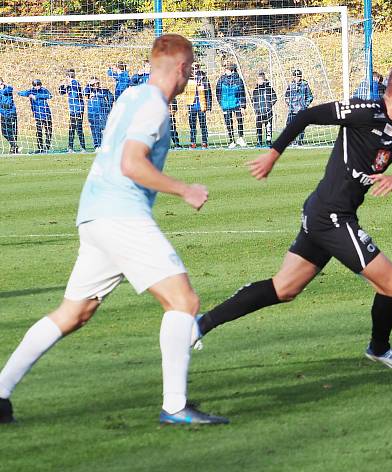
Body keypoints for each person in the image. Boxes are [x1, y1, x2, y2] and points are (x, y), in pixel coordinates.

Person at [0, 34, 228, 426]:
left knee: (74, 312)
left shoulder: (130, 97)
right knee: (184, 302)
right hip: (121, 216)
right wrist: (183, 189)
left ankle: (0, 392)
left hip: (93, 215)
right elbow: (131, 163)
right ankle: (175, 406)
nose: (190, 77)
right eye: (189, 69)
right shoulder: (154, 107)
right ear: (179, 68)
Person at [191, 61, 392, 370]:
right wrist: (272, 154)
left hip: (326, 213)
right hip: (331, 216)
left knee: (284, 288)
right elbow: (306, 116)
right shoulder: (362, 111)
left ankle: (200, 325)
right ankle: (379, 348)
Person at [216, 62, 246, 148]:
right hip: (225, 105)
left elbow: (242, 93)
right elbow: (217, 92)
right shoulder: (221, 79)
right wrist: (221, 103)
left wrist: (243, 106)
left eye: (228, 69)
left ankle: (240, 137)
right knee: (228, 123)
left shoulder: (238, 80)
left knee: (240, 120)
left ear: (232, 70)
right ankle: (231, 140)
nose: (226, 71)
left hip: (236, 104)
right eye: (225, 69)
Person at [18, 79, 52, 153]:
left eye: (38, 85)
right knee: (39, 132)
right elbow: (20, 93)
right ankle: (40, 148)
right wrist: (27, 94)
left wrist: (37, 96)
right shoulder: (31, 91)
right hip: (37, 115)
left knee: (48, 131)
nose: (36, 87)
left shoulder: (44, 90)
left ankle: (47, 147)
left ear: (40, 84)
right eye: (35, 85)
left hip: (46, 113)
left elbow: (50, 96)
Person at [58, 69, 87, 153]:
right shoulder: (70, 84)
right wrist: (63, 86)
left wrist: (68, 85)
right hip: (72, 109)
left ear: (68, 77)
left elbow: (75, 95)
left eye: (66, 77)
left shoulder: (75, 83)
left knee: (78, 128)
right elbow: (61, 92)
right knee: (71, 128)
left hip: (78, 108)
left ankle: (83, 147)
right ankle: (70, 148)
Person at [284, 69, 313, 145]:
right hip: (292, 110)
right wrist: (289, 104)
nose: (297, 78)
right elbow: (286, 96)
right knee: (289, 125)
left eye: (299, 76)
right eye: (296, 76)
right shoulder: (290, 86)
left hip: (302, 110)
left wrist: (305, 105)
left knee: (301, 126)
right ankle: (292, 140)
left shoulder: (305, 85)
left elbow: (310, 97)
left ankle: (300, 140)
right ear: (293, 77)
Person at [84, 77, 114, 149]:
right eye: (94, 83)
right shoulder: (89, 91)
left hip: (102, 112)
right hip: (92, 113)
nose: (96, 85)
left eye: (97, 83)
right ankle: (97, 145)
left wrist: (108, 107)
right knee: (94, 129)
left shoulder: (103, 90)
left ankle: (104, 144)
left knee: (104, 129)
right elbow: (84, 92)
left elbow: (111, 98)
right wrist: (89, 84)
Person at [185, 64, 211, 149]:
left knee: (203, 125)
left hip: (201, 105)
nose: (194, 69)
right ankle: (193, 142)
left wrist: (209, 105)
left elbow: (209, 93)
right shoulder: (187, 79)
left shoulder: (204, 78)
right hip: (192, 105)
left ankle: (204, 142)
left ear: (199, 68)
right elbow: (185, 92)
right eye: (193, 68)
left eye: (196, 67)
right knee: (192, 125)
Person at [251, 71, 277, 147]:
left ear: (264, 80)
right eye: (258, 79)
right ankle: (259, 141)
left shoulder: (269, 88)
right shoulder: (256, 90)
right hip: (259, 112)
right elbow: (254, 101)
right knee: (258, 126)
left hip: (268, 111)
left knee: (268, 126)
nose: (259, 81)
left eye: (261, 79)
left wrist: (269, 106)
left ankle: (268, 140)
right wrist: (256, 109)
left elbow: (274, 98)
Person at [0, 78, 19, 154]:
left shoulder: (8, 88)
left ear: (3, 83)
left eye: (0, 84)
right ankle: (14, 145)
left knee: (12, 131)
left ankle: (14, 148)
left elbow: (6, 91)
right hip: (3, 114)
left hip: (11, 113)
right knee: (4, 132)